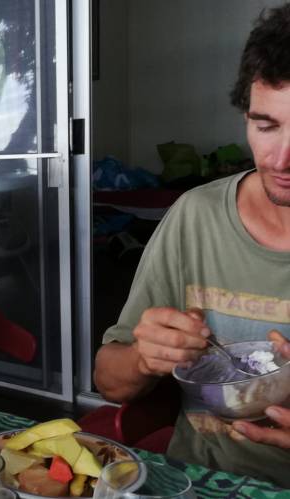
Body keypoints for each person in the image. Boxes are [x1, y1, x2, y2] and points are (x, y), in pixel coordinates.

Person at [93, 4, 290, 486]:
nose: (281, 159)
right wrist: (144, 357)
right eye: (265, 126)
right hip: (193, 482)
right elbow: (108, 379)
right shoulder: (195, 216)